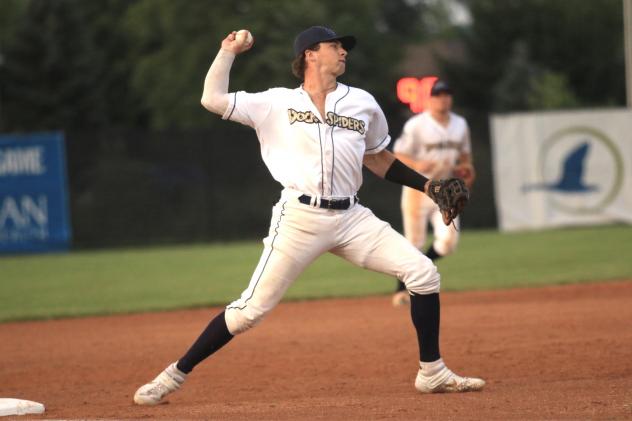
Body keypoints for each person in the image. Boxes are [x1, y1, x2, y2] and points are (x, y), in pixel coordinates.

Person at [133, 26, 484, 406]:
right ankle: (172, 375)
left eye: (343, 47)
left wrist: (429, 186)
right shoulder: (275, 103)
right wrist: (228, 52)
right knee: (249, 312)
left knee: (423, 272)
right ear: (310, 55)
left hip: (352, 217)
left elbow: (379, 158)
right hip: (299, 217)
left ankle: (431, 372)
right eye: (335, 46)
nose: (343, 52)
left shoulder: (361, 102)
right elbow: (212, 98)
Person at [391, 80, 475, 307]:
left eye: (447, 94)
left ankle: (420, 271)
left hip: (446, 192)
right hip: (417, 190)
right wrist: (418, 163)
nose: (443, 98)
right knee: (414, 243)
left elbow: (465, 159)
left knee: (448, 242)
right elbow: (397, 154)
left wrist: (467, 171)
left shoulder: (460, 124)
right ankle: (401, 290)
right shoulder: (417, 124)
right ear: (430, 99)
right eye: (438, 95)